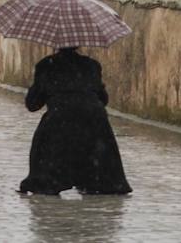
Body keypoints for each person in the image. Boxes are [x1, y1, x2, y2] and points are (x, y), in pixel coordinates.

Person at [18, 47, 131, 195]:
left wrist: (39, 87)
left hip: (60, 116)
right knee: (97, 146)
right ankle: (97, 181)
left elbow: (33, 104)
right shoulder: (91, 65)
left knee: (44, 141)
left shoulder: (46, 65)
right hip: (94, 117)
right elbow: (103, 99)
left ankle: (48, 181)